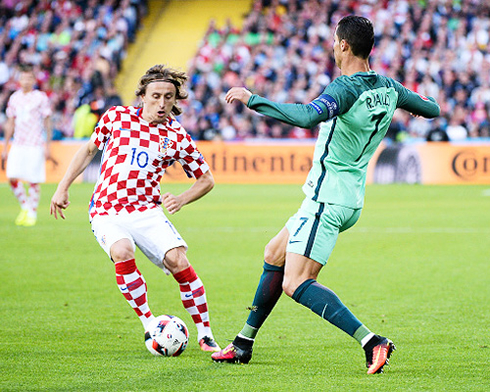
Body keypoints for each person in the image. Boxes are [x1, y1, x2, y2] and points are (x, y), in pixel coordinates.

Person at [211, 16, 440, 374]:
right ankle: (243, 343)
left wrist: (253, 99)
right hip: (348, 197)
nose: (333, 46)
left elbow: (306, 117)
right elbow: (432, 109)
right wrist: (401, 102)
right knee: (275, 251)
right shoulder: (388, 87)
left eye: (335, 41)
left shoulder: (344, 89)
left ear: (344, 45)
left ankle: (371, 341)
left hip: (327, 198)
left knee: (297, 281)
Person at [50, 64, 221, 353]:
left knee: (178, 261)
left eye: (169, 97)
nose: (162, 103)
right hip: (107, 210)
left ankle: (205, 335)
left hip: (147, 212)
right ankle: (149, 323)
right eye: (156, 96)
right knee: (122, 252)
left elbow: (207, 180)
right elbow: (88, 150)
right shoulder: (117, 117)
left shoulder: (177, 137)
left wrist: (181, 199)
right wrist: (63, 185)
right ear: (142, 95)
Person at [1, 65, 54, 227]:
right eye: (23, 78)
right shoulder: (14, 98)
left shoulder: (40, 97)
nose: (26, 81)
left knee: (33, 180)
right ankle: (25, 206)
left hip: (35, 143)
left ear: (33, 79)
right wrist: (5, 147)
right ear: (19, 80)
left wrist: (48, 146)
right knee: (11, 177)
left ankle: (32, 213)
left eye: (29, 78)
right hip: (18, 143)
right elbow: (10, 123)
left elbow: (47, 123)